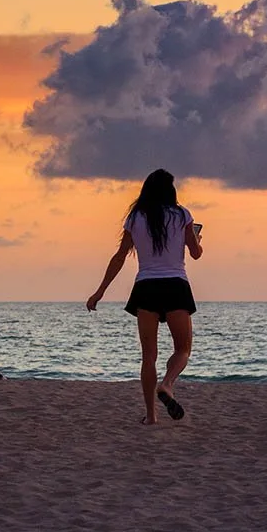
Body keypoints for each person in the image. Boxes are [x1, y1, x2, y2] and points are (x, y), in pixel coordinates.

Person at [86, 168, 203, 425]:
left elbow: (119, 257)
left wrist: (100, 291)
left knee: (149, 356)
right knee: (183, 348)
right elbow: (196, 253)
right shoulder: (182, 215)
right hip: (175, 285)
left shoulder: (136, 217)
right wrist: (196, 238)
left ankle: (151, 416)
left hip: (146, 287)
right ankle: (168, 385)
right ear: (171, 191)